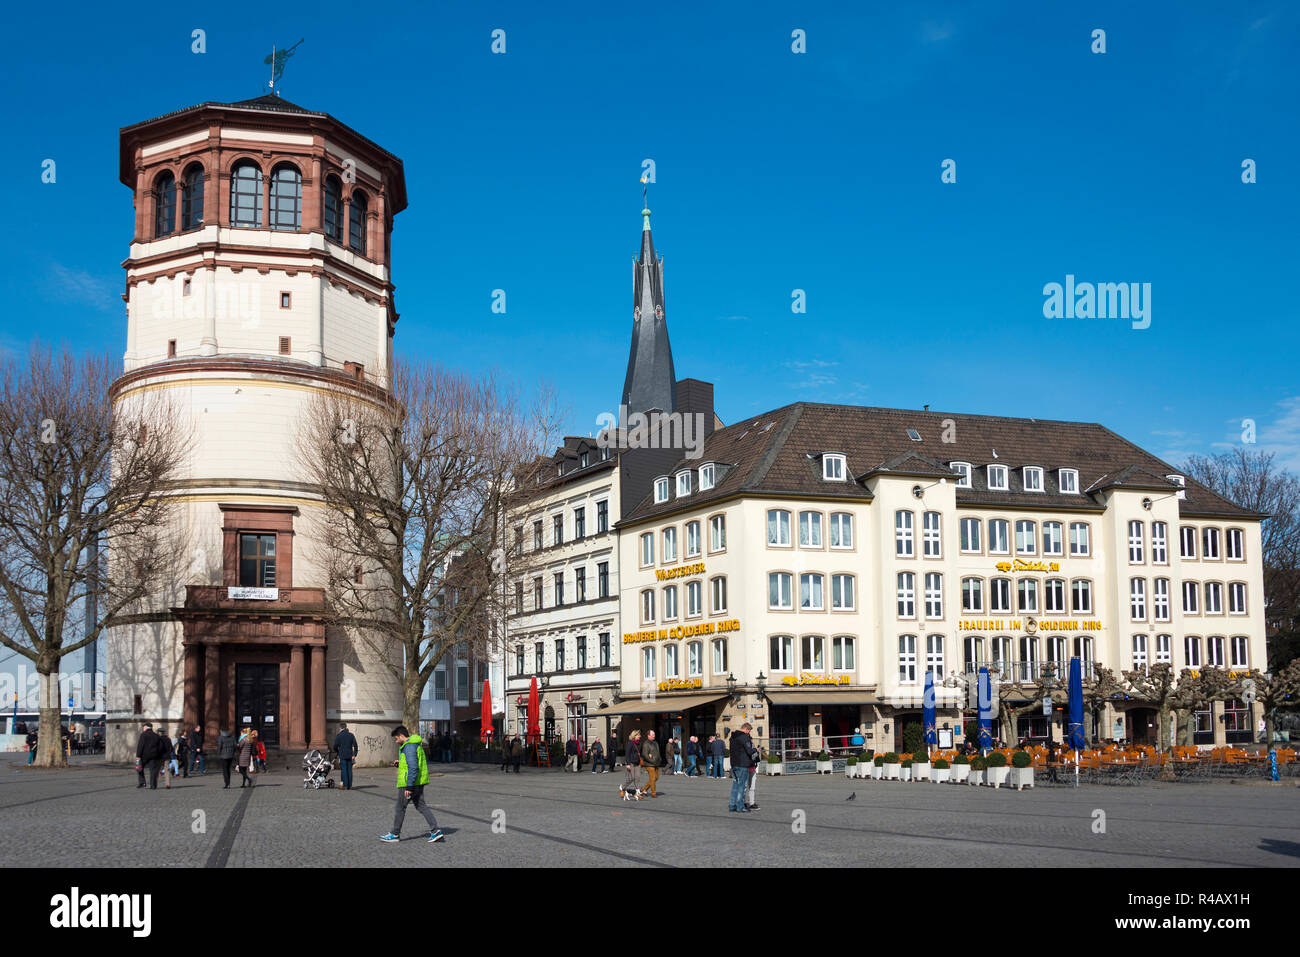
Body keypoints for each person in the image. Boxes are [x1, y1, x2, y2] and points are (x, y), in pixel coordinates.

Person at [381, 726, 443, 843]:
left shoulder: (408, 747)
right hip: (418, 782)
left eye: (396, 738)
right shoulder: (414, 745)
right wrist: (400, 763)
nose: (396, 741)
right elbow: (413, 763)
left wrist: (409, 787)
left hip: (408, 783)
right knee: (421, 806)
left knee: (400, 808)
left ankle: (395, 834)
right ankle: (435, 831)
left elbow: (413, 767)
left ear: (401, 736)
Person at [728, 724, 756, 812]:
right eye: (749, 731)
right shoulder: (744, 737)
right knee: (742, 786)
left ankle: (732, 805)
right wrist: (755, 749)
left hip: (734, 764)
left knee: (735, 785)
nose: (749, 733)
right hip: (742, 764)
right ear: (747, 729)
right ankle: (740, 806)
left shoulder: (732, 737)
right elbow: (749, 751)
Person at [135, 723, 163, 789]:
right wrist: (158, 753)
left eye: (143, 727)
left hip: (144, 756)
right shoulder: (156, 735)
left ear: (146, 727)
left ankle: (142, 783)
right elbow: (160, 746)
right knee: (153, 771)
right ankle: (153, 785)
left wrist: (138, 755)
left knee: (139, 768)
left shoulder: (143, 735)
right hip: (154, 756)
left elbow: (140, 746)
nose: (143, 728)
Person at [334, 722, 358, 790]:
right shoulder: (351, 735)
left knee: (344, 770)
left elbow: (335, 746)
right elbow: (355, 746)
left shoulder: (339, 736)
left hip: (342, 755)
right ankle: (350, 785)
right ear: (346, 727)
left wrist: (337, 751)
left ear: (340, 728)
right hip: (350, 755)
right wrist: (354, 754)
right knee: (349, 770)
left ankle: (345, 785)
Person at [620, 730, 643, 799]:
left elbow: (640, 753)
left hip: (637, 762)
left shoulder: (639, 743)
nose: (640, 736)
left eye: (639, 735)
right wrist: (628, 763)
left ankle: (637, 792)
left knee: (637, 777)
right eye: (638, 735)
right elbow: (627, 754)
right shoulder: (630, 743)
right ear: (634, 735)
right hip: (631, 763)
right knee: (631, 778)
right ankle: (622, 787)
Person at [641, 730, 662, 797]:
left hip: (656, 763)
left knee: (656, 778)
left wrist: (659, 759)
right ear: (648, 735)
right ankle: (653, 793)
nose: (654, 736)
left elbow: (657, 752)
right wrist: (652, 760)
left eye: (654, 734)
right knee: (652, 779)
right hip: (649, 764)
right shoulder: (646, 743)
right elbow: (645, 755)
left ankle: (644, 789)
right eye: (652, 734)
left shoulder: (655, 742)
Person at [745, 741, 761, 811]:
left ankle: (751, 802)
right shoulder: (745, 749)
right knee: (745, 787)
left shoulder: (753, 749)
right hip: (746, 769)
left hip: (752, 769)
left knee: (752, 787)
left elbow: (757, 760)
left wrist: (756, 752)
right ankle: (744, 802)